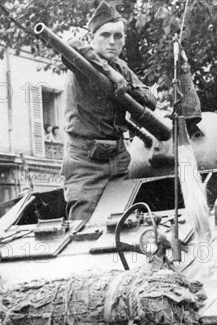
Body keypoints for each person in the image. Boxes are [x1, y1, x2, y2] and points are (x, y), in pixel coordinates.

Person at [61, 1, 156, 221]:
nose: (112, 41)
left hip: (118, 160)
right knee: (82, 231)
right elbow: (71, 44)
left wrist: (127, 86)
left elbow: (149, 98)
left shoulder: (122, 67)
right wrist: (110, 74)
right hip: (86, 163)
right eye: (105, 35)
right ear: (92, 38)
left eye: (118, 36)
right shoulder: (81, 62)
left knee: (122, 227)